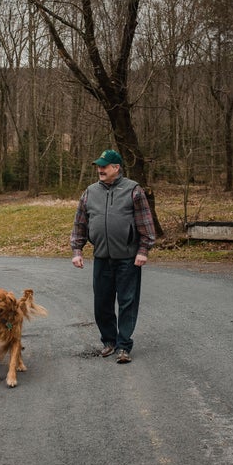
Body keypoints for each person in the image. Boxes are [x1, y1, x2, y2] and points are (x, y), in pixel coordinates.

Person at [70, 149, 157, 364]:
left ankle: (124, 346)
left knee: (127, 302)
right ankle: (109, 341)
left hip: (128, 258)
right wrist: (77, 250)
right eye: (99, 166)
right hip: (101, 257)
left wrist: (143, 251)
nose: (100, 169)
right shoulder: (90, 192)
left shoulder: (133, 190)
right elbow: (80, 223)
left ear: (116, 168)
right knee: (102, 303)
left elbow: (146, 224)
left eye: (104, 166)